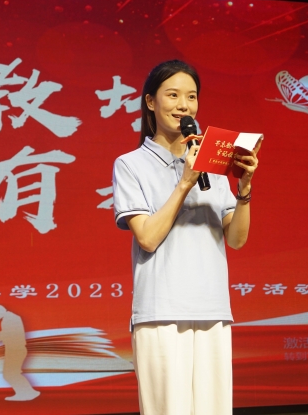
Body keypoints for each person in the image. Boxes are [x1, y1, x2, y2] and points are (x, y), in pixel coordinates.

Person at [112, 59, 261, 415]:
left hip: (212, 308)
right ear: (151, 102)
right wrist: (184, 183)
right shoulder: (130, 164)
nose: (184, 105)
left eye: (191, 97)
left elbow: (236, 239)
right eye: (173, 95)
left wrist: (244, 188)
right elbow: (148, 238)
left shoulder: (214, 165)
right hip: (161, 311)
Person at [0, 305, 40, 401]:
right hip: (15, 349)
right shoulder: (10, 317)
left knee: (10, 374)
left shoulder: (10, 319)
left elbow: (3, 335)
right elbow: (4, 333)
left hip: (15, 350)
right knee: (12, 373)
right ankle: (28, 392)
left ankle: (27, 393)